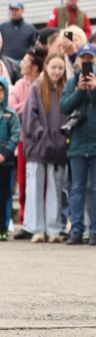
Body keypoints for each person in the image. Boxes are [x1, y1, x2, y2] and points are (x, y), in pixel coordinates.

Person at [60, 44, 96, 246]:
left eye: (89, 58)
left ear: (95, 59)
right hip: (77, 142)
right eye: (83, 58)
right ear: (78, 60)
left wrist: (95, 89)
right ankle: (76, 231)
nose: (86, 61)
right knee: (77, 189)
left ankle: (95, 232)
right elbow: (64, 107)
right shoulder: (72, 81)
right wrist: (79, 91)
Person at [21, 54, 68, 243]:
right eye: (54, 67)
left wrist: (62, 139)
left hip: (58, 146)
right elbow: (30, 117)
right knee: (35, 186)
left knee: (55, 188)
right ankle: (37, 228)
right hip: (38, 146)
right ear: (46, 66)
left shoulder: (65, 89)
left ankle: (53, 228)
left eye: (60, 68)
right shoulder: (37, 88)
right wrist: (41, 135)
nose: (57, 71)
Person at [9, 47, 45, 239]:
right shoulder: (19, 85)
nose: (21, 64)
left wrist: (27, 106)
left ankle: (42, 221)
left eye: (25, 61)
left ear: (35, 67)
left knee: (43, 183)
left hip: (43, 140)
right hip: (24, 140)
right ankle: (25, 221)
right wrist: (31, 103)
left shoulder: (44, 83)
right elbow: (12, 108)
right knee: (24, 183)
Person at [0, 76, 20, 241]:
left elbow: (15, 134)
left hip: (5, 161)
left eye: (1, 91)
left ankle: (3, 228)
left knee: (4, 195)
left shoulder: (10, 114)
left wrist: (4, 153)